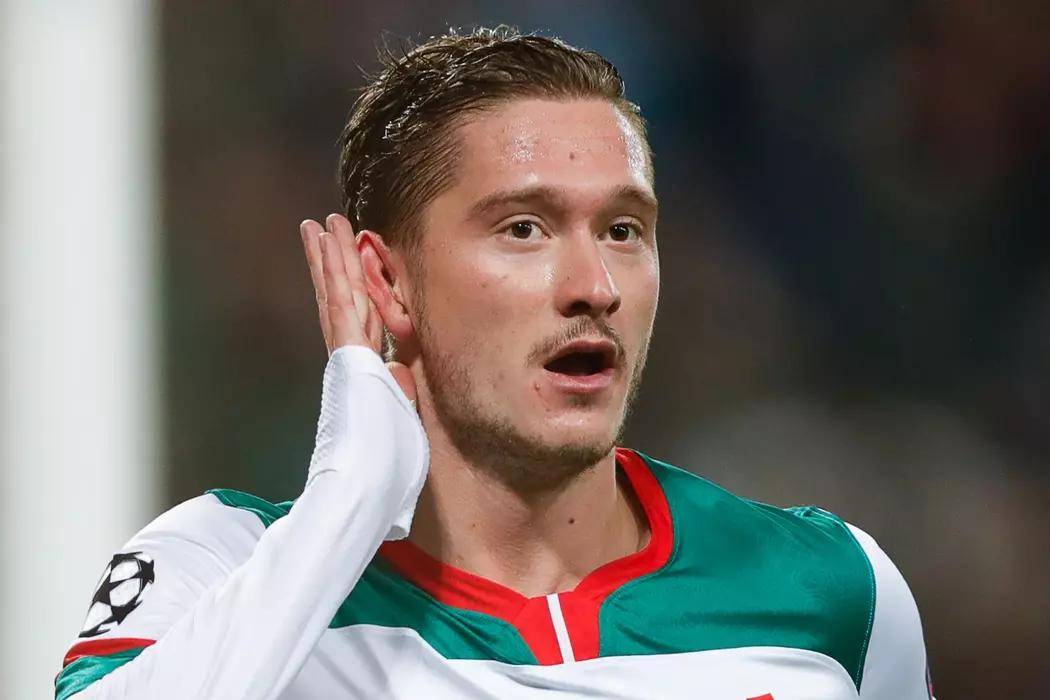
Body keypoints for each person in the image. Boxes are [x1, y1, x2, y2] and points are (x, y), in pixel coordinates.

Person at [55, 26, 933, 700]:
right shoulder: (219, 569)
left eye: (623, 230)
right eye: (524, 228)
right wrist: (349, 498)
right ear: (386, 282)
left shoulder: (833, 592)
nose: (595, 287)